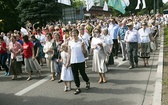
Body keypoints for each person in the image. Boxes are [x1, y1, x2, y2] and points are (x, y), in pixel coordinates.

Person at [66, 29, 90, 95]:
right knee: (75, 75)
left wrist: (83, 46)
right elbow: (69, 53)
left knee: (82, 73)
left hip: (81, 60)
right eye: (72, 34)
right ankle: (78, 87)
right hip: (73, 61)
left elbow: (85, 52)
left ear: (77, 34)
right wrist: (67, 62)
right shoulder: (70, 42)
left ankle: (87, 81)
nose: (73, 35)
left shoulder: (81, 41)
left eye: (75, 34)